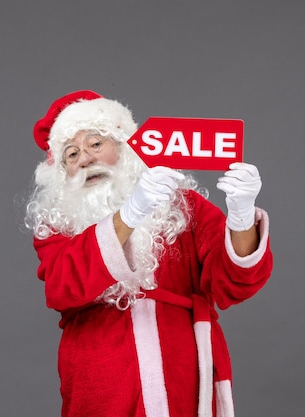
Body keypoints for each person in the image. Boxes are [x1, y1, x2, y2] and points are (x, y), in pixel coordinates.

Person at [24, 90, 273, 417]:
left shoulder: (183, 206)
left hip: (183, 374)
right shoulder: (59, 225)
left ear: (125, 145)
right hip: (101, 382)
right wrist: (130, 214)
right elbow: (61, 287)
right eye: (71, 154)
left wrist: (241, 216)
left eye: (96, 144)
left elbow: (235, 282)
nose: (85, 159)